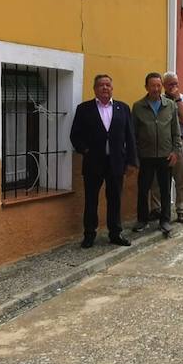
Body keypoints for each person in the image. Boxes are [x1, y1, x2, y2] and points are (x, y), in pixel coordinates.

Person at [70, 73, 137, 248]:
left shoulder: (123, 108)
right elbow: (75, 135)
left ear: (112, 88)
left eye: (108, 84)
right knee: (91, 200)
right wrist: (85, 150)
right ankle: (89, 235)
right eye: (101, 85)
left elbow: (130, 137)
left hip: (116, 162)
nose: (105, 88)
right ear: (95, 89)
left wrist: (131, 161)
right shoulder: (84, 109)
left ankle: (115, 233)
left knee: (115, 199)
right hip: (93, 163)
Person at [131, 72, 181, 236]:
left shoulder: (170, 105)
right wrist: (135, 156)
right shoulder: (138, 107)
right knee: (143, 189)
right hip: (146, 157)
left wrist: (175, 151)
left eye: (158, 85)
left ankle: (165, 220)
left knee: (165, 190)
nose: (156, 89)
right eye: (152, 85)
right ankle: (142, 220)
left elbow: (176, 132)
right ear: (146, 87)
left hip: (165, 156)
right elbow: (133, 134)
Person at [149, 72, 183, 224]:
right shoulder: (159, 100)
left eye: (176, 83)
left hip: (181, 142)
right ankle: (157, 209)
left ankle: (181, 209)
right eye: (170, 84)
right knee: (157, 179)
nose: (174, 87)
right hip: (163, 144)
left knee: (180, 178)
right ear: (164, 86)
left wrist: (178, 99)